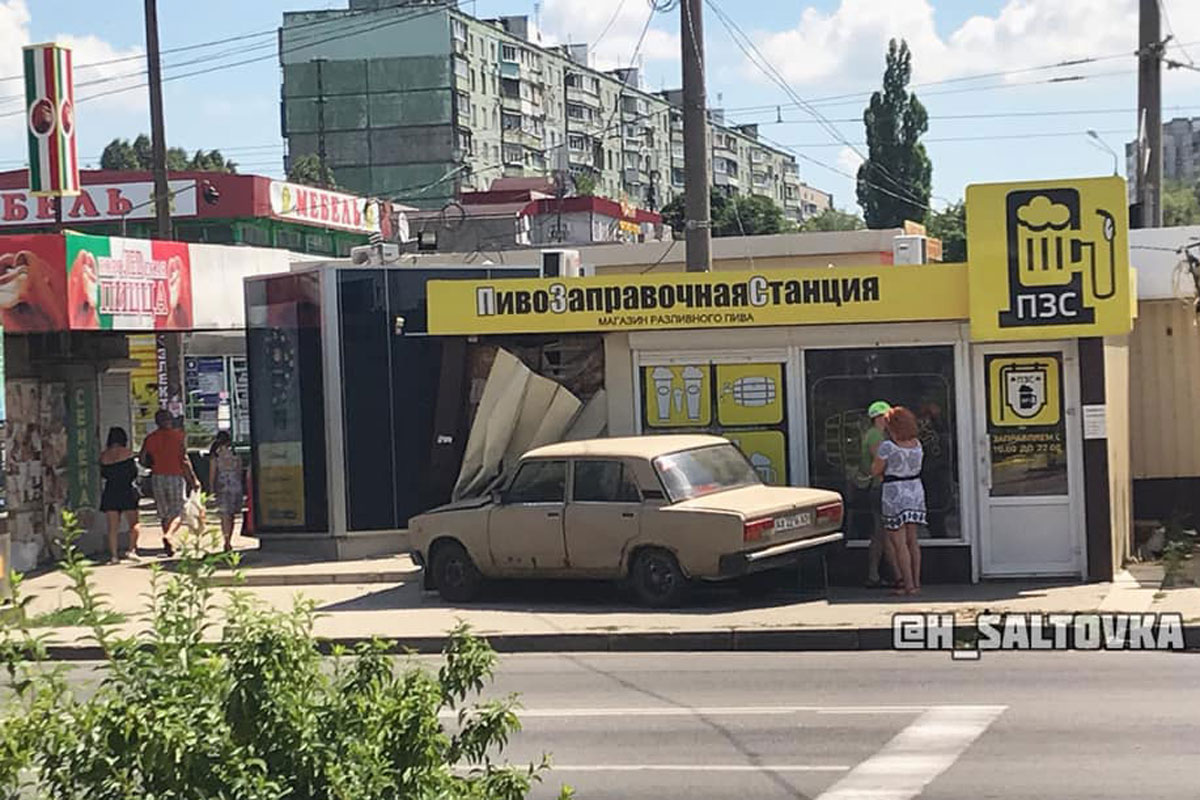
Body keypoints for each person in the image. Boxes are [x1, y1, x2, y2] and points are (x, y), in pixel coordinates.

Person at [872, 406, 927, 596]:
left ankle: (907, 584)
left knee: (898, 541)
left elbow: (875, 470)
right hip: (915, 490)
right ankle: (917, 582)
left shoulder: (888, 446)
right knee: (913, 541)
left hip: (894, 491)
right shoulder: (917, 444)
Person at [139, 409, 198, 557]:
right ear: (170, 420)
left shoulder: (150, 438)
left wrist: (152, 464)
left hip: (157, 477)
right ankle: (169, 536)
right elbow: (184, 460)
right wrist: (193, 479)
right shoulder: (178, 436)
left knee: (164, 512)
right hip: (175, 475)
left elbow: (142, 459)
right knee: (179, 510)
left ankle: (168, 542)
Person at [861, 400, 898, 588]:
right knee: (883, 533)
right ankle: (895, 575)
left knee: (881, 534)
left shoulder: (879, 434)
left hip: (879, 486)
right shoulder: (876, 436)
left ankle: (877, 575)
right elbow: (879, 463)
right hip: (880, 486)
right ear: (879, 417)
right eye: (887, 416)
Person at [99, 427, 140, 563]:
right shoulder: (128, 453)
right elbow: (134, 472)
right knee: (134, 523)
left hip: (110, 491)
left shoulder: (104, 456)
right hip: (126, 490)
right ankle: (131, 550)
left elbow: (103, 474)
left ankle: (114, 556)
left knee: (112, 527)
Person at [208, 431, 243, 553]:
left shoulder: (216, 456)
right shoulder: (235, 454)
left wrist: (211, 489)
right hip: (235, 485)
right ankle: (230, 539)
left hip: (222, 486)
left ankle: (226, 539)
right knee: (232, 515)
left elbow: (212, 474)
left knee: (224, 515)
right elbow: (239, 472)